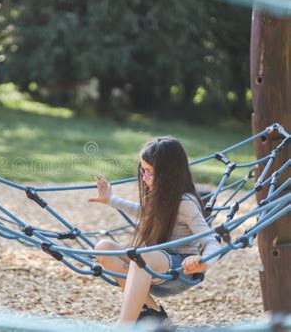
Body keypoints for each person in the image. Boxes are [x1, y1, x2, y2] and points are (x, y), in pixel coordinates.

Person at [88, 137, 221, 324]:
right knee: (104, 247)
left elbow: (211, 241)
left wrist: (203, 262)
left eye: (149, 172)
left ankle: (123, 327)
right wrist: (110, 199)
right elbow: (142, 211)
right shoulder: (160, 195)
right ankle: (154, 312)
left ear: (168, 174)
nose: (144, 177)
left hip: (180, 271)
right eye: (142, 170)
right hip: (154, 266)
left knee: (142, 256)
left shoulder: (185, 203)